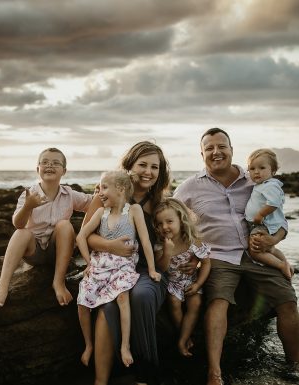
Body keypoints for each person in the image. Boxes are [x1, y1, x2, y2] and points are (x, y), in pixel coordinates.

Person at [173, 128, 299, 385]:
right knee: (218, 302)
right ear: (202, 154)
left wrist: (275, 242)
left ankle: (295, 366)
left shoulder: (254, 179)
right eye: (209, 148)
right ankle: (215, 373)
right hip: (218, 257)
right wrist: (186, 255)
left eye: (222, 146)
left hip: (256, 255)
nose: (216, 152)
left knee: (287, 299)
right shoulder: (189, 187)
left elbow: (277, 217)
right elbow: (170, 220)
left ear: (232, 150)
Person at [82, 141, 195, 385]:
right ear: (129, 166)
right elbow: (86, 236)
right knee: (109, 306)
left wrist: (196, 257)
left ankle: (146, 374)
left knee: (142, 296)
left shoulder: (161, 204)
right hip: (112, 269)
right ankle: (100, 380)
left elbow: (184, 233)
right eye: (142, 164)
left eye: (155, 167)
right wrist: (112, 246)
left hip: (147, 270)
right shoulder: (107, 194)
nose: (148, 171)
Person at [76, 171, 162, 368]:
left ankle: (125, 346)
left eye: (104, 187)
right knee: (83, 302)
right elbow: (81, 237)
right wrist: (89, 263)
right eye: (99, 188)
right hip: (100, 265)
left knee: (122, 298)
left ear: (121, 189)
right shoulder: (101, 213)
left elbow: (146, 241)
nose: (100, 192)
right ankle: (88, 345)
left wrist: (151, 269)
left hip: (124, 265)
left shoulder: (133, 211)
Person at [0, 147, 92, 307]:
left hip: (57, 253)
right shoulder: (29, 195)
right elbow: (18, 223)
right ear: (38, 169)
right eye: (45, 162)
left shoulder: (69, 195)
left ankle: (58, 282)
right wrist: (28, 207)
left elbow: (91, 203)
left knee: (64, 225)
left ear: (64, 171)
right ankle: (2, 285)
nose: (50, 165)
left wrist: (104, 190)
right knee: (21, 233)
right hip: (33, 253)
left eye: (55, 163)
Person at [153, 198, 211, 358]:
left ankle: (183, 339)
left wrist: (198, 284)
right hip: (173, 283)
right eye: (159, 223)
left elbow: (206, 263)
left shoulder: (193, 241)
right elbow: (161, 268)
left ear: (181, 219)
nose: (164, 227)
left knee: (195, 303)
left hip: (191, 280)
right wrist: (167, 252)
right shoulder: (161, 244)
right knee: (173, 302)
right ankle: (184, 336)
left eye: (169, 221)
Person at [245, 149, 292, 280]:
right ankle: (286, 264)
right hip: (256, 223)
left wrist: (260, 215)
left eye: (262, 168)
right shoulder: (261, 184)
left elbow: (274, 202)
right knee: (270, 249)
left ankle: (281, 265)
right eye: (252, 168)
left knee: (255, 251)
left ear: (273, 171)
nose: (256, 171)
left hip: (262, 223)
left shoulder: (270, 185)